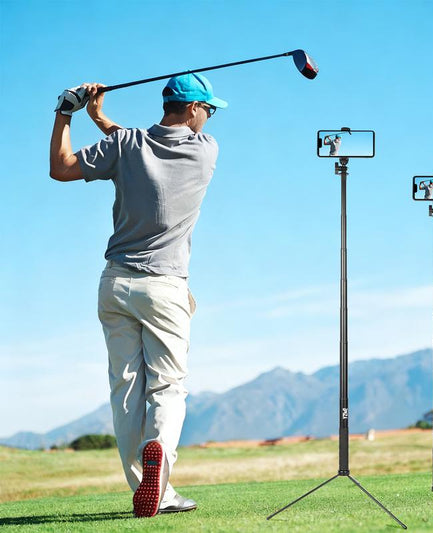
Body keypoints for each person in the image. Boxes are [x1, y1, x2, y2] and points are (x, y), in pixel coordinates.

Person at [49, 73, 228, 517]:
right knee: (167, 386)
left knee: (126, 390)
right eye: (208, 109)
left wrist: (69, 112)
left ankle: (150, 489)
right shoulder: (205, 151)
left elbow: (62, 167)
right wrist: (102, 119)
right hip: (165, 287)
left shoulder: (126, 145)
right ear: (193, 108)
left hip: (114, 283)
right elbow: (141, 143)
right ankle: (159, 463)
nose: (209, 117)